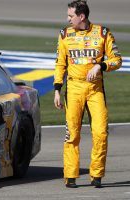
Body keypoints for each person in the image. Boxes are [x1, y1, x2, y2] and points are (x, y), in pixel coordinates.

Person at [53, 0, 122, 188]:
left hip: (95, 90)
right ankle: (70, 176)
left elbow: (117, 60)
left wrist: (101, 65)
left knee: (100, 132)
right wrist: (57, 90)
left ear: (81, 16)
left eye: (70, 16)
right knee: (72, 134)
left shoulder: (103, 33)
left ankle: (97, 175)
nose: (67, 19)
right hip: (73, 89)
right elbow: (60, 63)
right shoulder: (64, 35)